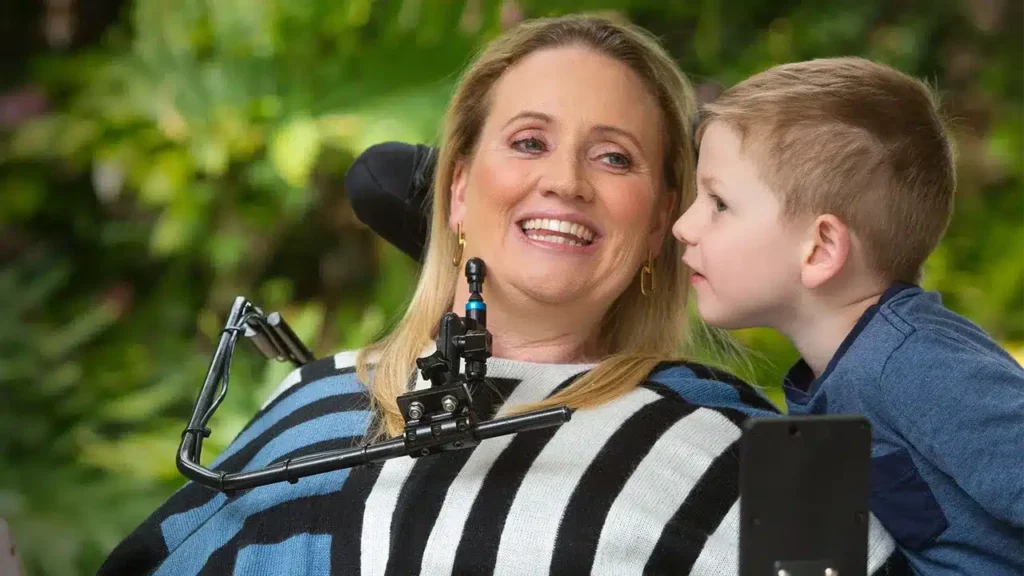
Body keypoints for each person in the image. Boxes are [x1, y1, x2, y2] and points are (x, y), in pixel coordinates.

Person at [99, 17, 906, 575]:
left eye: (615, 158)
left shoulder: (761, 457)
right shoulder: (309, 409)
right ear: (456, 189)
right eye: (528, 142)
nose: (565, 181)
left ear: (664, 218)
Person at [671, 57, 1024, 574]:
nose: (684, 225)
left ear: (820, 249)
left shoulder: (916, 365)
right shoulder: (847, 368)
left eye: (719, 203)